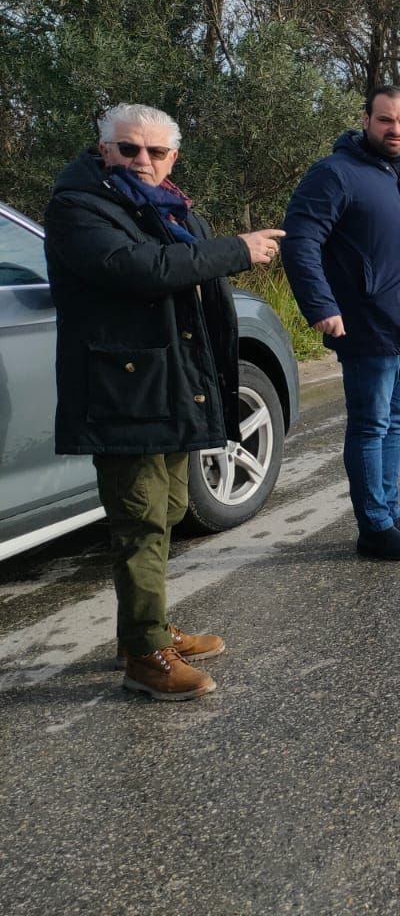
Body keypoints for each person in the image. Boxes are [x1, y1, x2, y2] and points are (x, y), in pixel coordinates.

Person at [44, 104, 284, 701]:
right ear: (104, 150)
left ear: (173, 157)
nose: (142, 161)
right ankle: (146, 657)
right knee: (140, 522)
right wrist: (237, 249)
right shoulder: (78, 207)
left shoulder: (167, 204)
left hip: (173, 382)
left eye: (155, 152)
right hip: (123, 391)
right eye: (129, 150)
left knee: (173, 507)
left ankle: (145, 629)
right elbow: (140, 268)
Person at [281, 85, 400, 561]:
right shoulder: (335, 174)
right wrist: (320, 305)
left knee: (396, 422)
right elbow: (300, 242)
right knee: (370, 424)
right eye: (385, 120)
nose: (395, 130)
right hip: (366, 322)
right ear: (365, 120)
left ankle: (390, 512)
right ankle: (373, 527)